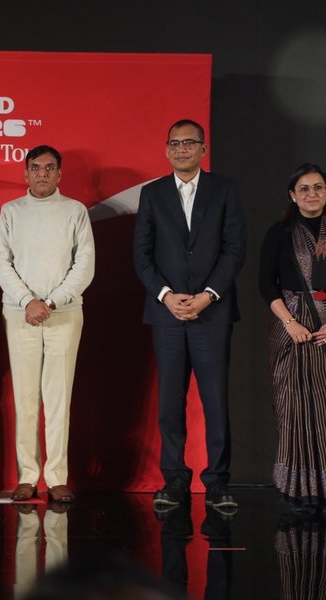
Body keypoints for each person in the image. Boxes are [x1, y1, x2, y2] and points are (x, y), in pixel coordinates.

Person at [133, 119, 246, 512]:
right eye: (175, 143)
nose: (181, 149)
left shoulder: (224, 189)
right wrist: (166, 296)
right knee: (170, 403)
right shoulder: (152, 193)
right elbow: (142, 254)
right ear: (167, 149)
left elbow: (235, 248)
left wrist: (208, 296)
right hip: (165, 314)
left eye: (189, 142)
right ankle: (174, 480)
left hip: (212, 313)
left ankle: (217, 483)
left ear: (203, 148)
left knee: (215, 401)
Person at [0, 144, 95, 503]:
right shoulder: (11, 211)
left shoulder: (75, 211)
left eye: (49, 168)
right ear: (26, 173)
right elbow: (2, 262)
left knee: (58, 397)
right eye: (36, 167)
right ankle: (27, 476)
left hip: (63, 314)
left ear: (59, 174)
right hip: (19, 312)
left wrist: (50, 302)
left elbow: (84, 264)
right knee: (25, 397)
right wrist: (28, 301)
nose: (42, 173)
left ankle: (56, 477)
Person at [259, 163, 326, 511]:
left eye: (318, 187)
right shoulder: (279, 233)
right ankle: (295, 487)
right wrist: (290, 323)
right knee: (293, 406)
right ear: (292, 195)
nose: (312, 194)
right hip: (291, 328)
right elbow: (266, 284)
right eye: (304, 188)